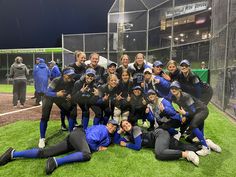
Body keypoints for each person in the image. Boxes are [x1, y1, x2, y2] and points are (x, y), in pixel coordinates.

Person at [0, 120, 118, 175]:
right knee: (86, 154)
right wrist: (97, 149)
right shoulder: (102, 129)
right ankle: (56, 161)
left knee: (45, 152)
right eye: (112, 125)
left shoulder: (108, 136)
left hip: (76, 139)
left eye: (115, 127)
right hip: (79, 135)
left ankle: (12, 154)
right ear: (108, 124)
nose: (113, 127)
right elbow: (91, 139)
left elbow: (111, 140)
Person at [114, 120, 200, 166]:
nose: (126, 125)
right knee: (188, 147)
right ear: (123, 129)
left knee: (159, 153)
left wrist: (127, 145)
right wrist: (118, 132)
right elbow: (116, 141)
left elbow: (137, 146)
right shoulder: (128, 136)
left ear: (130, 123)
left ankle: (187, 155)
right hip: (161, 140)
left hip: (159, 134)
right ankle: (205, 144)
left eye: (127, 123)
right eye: (124, 126)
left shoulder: (135, 129)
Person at [170, 81, 221, 156]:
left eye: (175, 88)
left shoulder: (186, 96)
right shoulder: (174, 97)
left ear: (179, 89)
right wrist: (184, 114)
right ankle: (206, 142)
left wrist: (185, 114)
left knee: (193, 125)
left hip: (202, 110)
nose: (173, 90)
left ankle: (206, 148)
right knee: (195, 130)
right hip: (196, 112)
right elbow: (182, 106)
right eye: (172, 88)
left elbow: (193, 111)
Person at [38, 67, 77, 148]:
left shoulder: (72, 82)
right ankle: (42, 138)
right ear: (63, 75)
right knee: (45, 116)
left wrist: (70, 96)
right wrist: (56, 94)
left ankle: (71, 135)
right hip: (49, 97)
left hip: (60, 97)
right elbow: (46, 93)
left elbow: (71, 92)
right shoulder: (57, 80)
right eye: (68, 74)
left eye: (72, 74)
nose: (71, 76)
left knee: (72, 110)